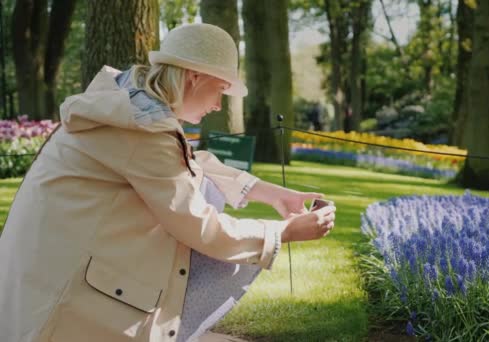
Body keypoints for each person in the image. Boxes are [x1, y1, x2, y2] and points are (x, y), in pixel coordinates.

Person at [0, 23, 336, 342]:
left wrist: (267, 192)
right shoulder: (142, 129)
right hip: (62, 301)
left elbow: (181, 161)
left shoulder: (129, 102)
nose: (219, 104)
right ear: (193, 77)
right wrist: (282, 233)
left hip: (39, 278)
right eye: (220, 90)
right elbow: (200, 227)